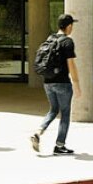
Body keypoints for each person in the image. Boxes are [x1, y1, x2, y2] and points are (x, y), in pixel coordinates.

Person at [32, 12, 79, 156]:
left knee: (53, 110)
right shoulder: (67, 42)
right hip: (63, 83)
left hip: (48, 82)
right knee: (65, 113)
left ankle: (39, 131)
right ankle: (60, 145)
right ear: (69, 26)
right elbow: (71, 65)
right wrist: (76, 84)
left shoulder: (50, 39)